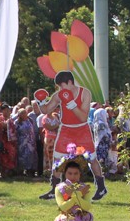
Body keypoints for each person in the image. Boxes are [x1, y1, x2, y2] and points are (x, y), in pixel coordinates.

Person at [37, 71, 107, 200]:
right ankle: (54, 189)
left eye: (62, 86)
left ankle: (101, 188)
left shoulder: (85, 93)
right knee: (57, 159)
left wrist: (72, 104)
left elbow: (83, 117)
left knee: (92, 158)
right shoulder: (59, 95)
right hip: (66, 130)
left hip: (82, 130)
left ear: (70, 82)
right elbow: (46, 110)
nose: (60, 89)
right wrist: (40, 102)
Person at [49, 149, 99, 221]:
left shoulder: (85, 188)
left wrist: (78, 194)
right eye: (70, 173)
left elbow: (87, 207)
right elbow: (63, 207)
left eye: (76, 173)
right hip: (67, 218)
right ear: (65, 173)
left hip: (82, 217)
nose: (73, 177)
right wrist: (75, 196)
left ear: (80, 174)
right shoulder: (60, 188)